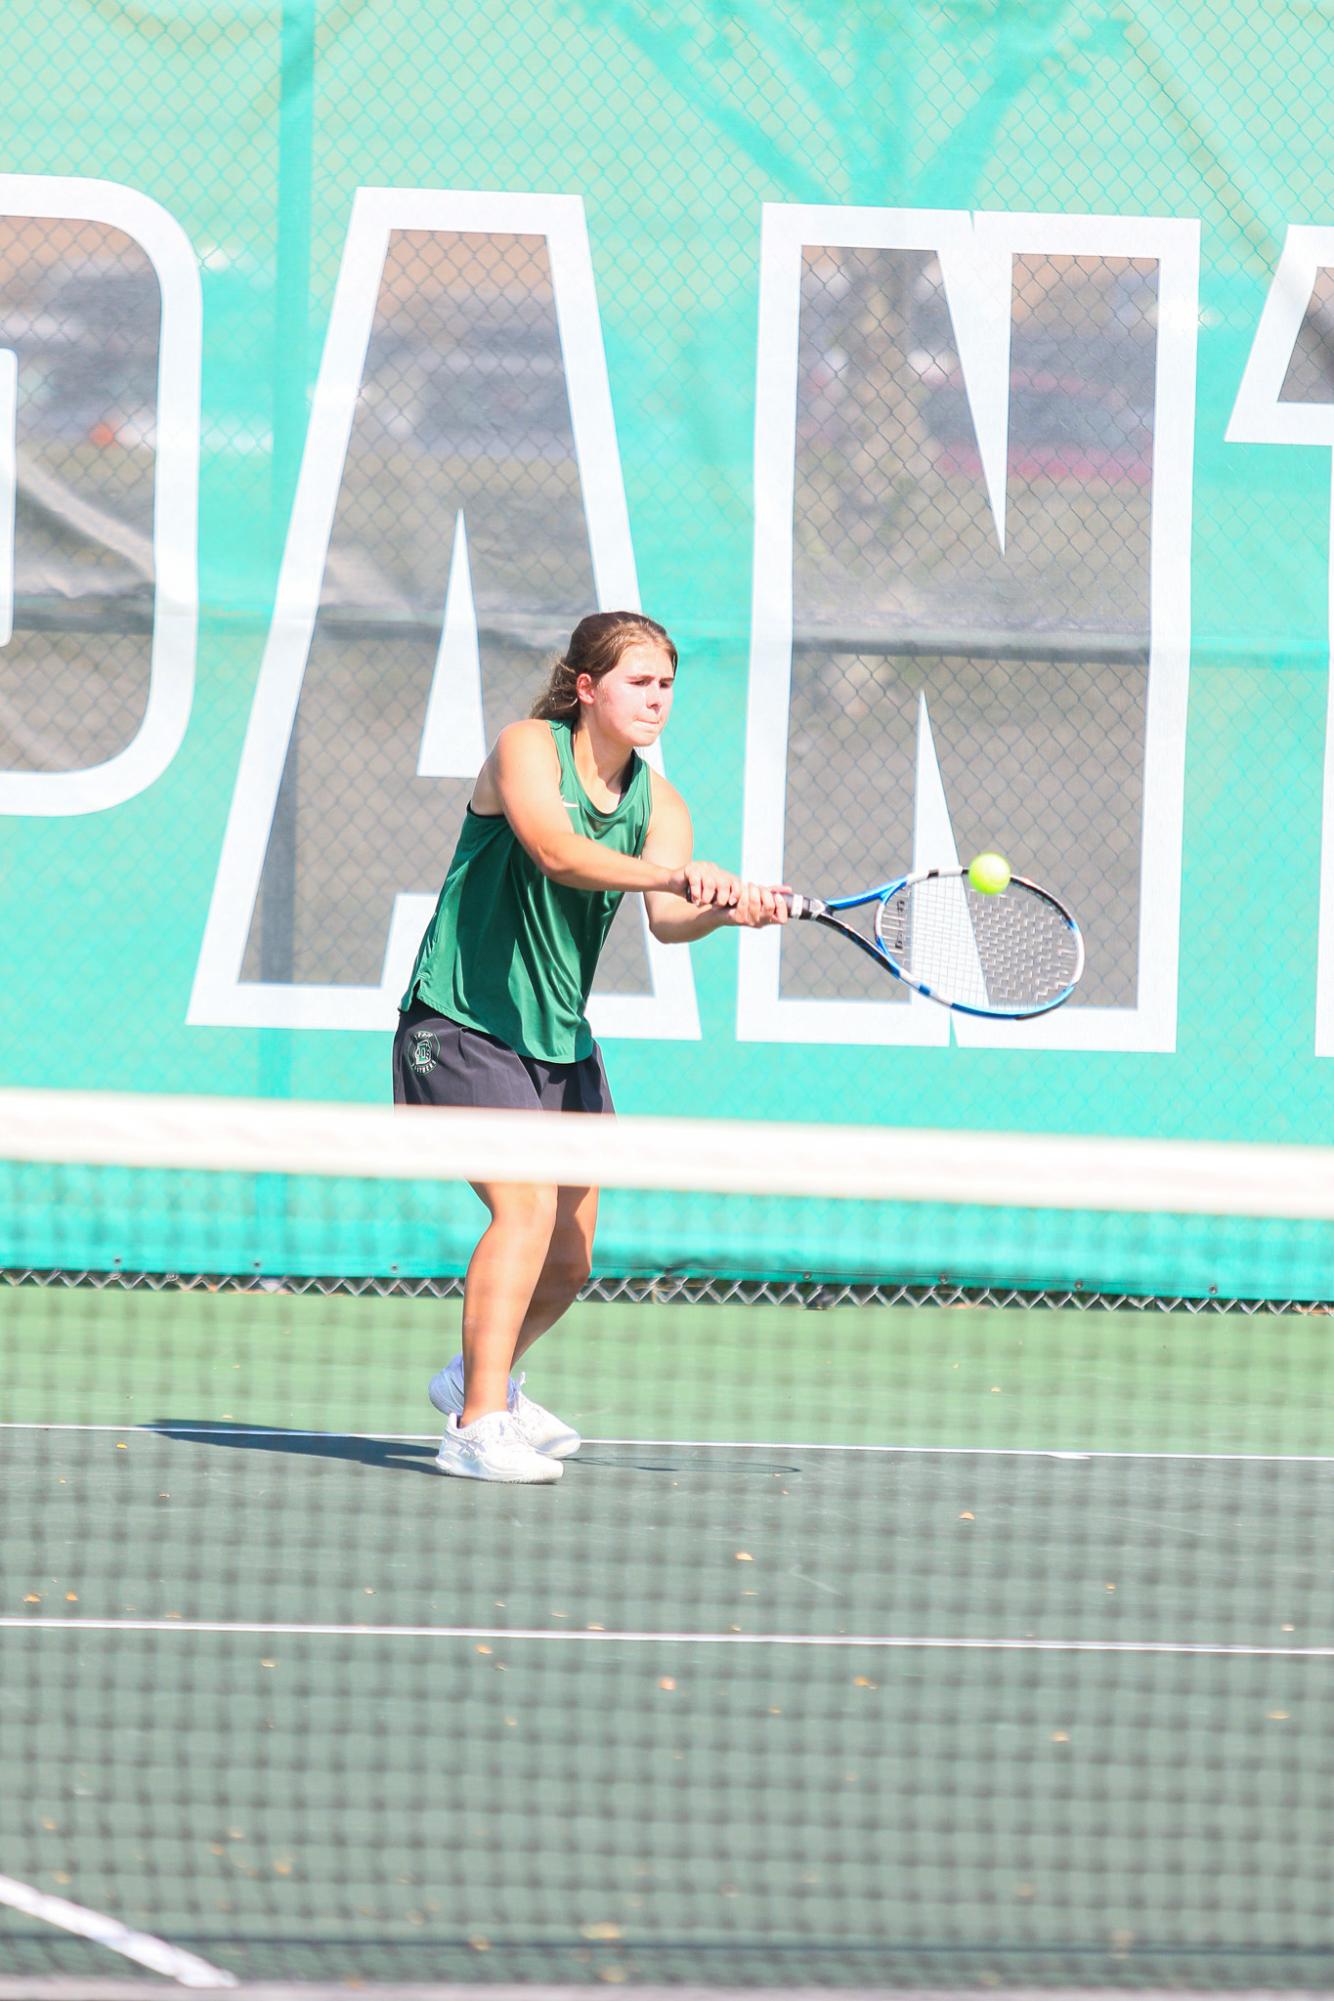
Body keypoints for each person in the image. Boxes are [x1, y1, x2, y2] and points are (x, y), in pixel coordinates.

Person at [393, 609, 788, 1483]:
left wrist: (726, 906)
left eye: (668, 686)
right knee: (525, 1208)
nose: (658, 700)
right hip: (460, 1020)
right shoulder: (528, 748)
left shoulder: (659, 802)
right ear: (587, 687)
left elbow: (671, 920)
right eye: (640, 682)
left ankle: (474, 1373)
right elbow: (555, 850)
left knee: (570, 1258)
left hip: (560, 1041)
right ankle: (477, 1421)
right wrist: (675, 871)